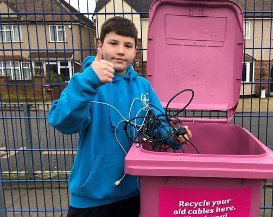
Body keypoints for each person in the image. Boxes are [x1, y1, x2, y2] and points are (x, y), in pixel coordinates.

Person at [48, 16, 191, 217]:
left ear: (135, 51)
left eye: (128, 45)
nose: (121, 50)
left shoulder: (143, 86)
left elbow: (156, 125)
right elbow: (63, 122)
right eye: (113, 43)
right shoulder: (87, 82)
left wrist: (173, 137)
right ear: (100, 45)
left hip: (131, 193)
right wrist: (88, 81)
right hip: (91, 198)